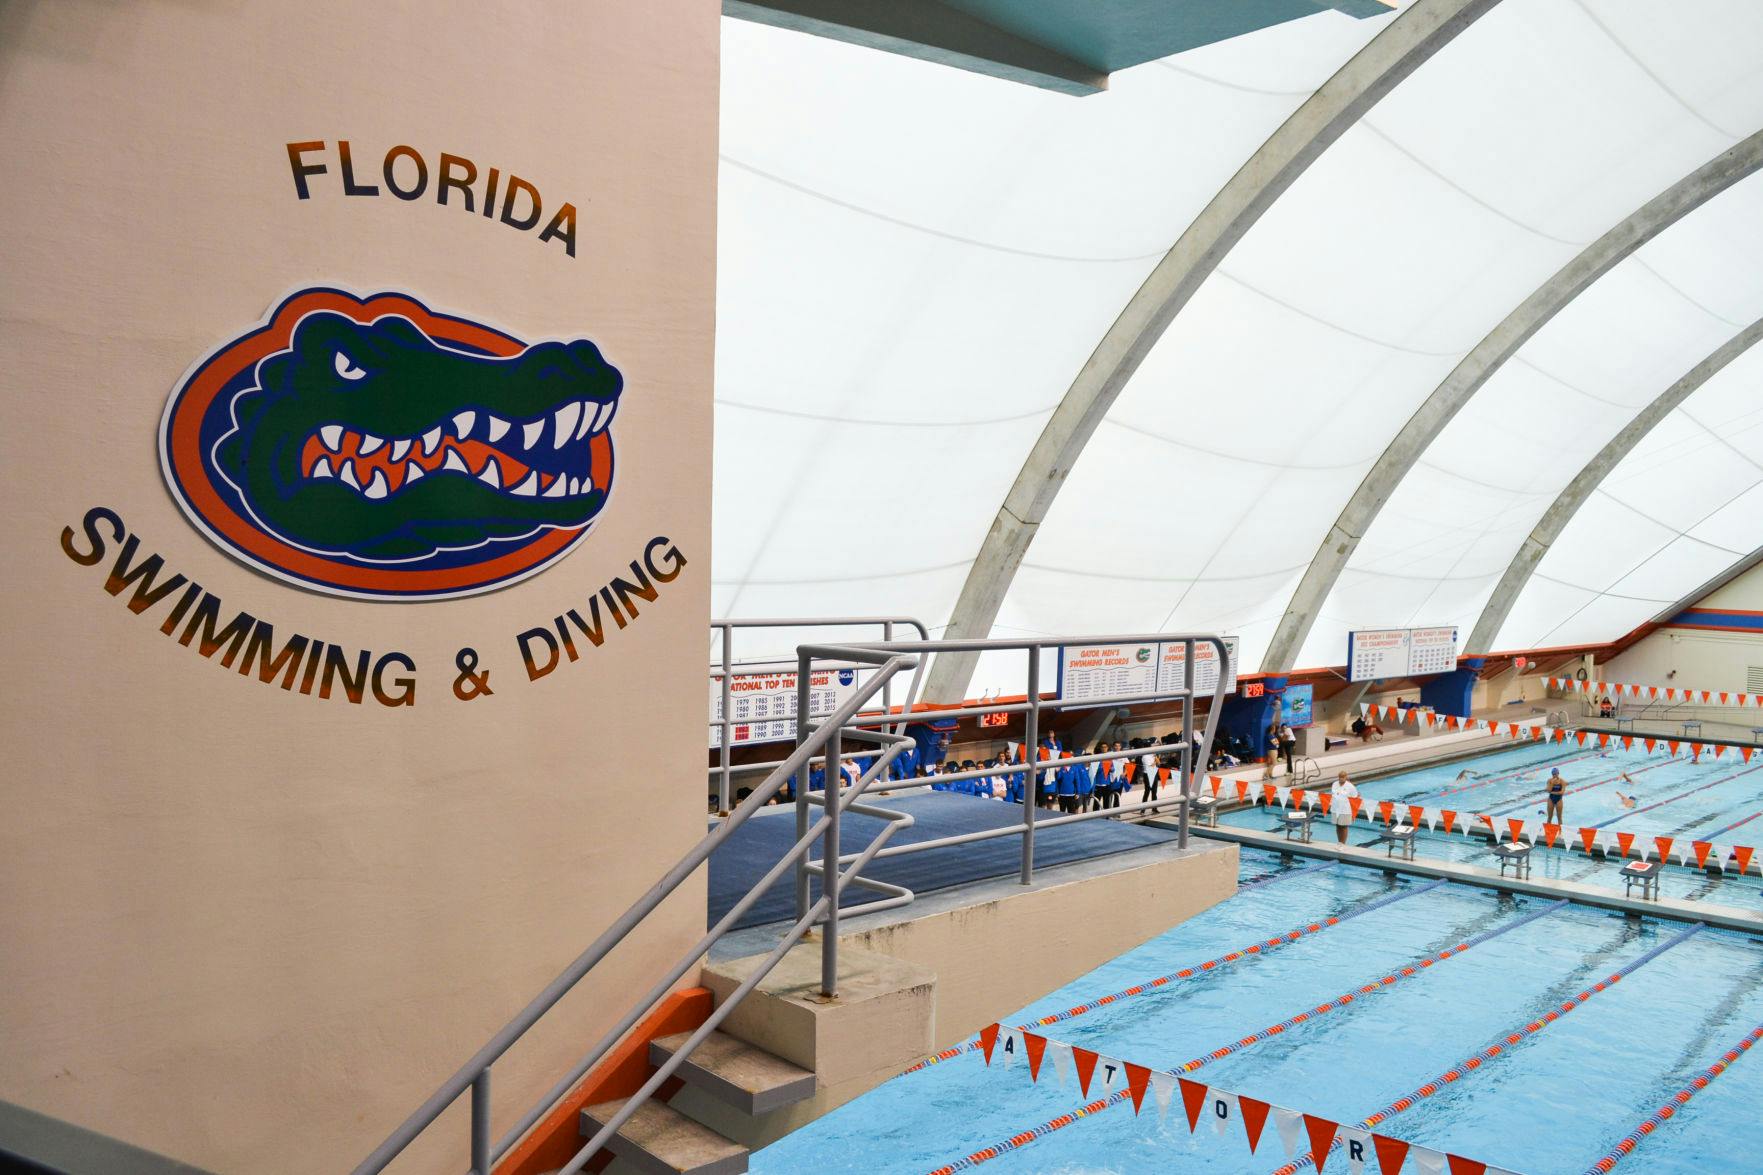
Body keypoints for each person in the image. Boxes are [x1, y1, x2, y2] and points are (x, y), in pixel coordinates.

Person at [1330, 771, 1358, 845]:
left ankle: (1343, 843)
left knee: (1344, 826)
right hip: (1335, 808)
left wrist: (1353, 811)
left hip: (1345, 809)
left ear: (1346, 777)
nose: (1341, 779)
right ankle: (1339, 842)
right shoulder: (1334, 784)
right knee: (1337, 825)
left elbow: (1355, 797)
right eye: (1340, 777)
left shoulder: (1350, 786)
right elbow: (1334, 794)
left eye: (1343, 777)